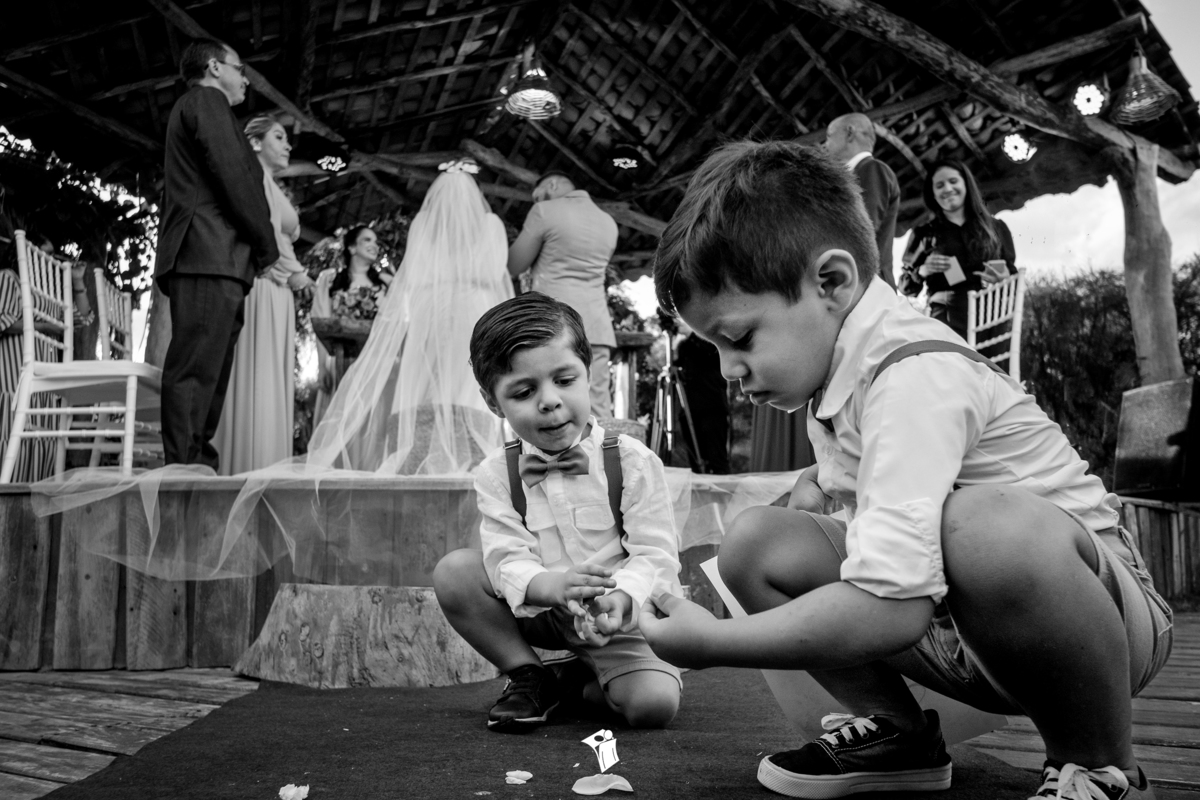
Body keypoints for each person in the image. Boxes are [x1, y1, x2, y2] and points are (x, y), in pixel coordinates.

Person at [640, 140, 1171, 800]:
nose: (727, 371)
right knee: (756, 543)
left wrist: (716, 642)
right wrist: (820, 488)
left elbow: (892, 609)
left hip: (1105, 626)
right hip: (958, 632)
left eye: (740, 337)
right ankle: (896, 733)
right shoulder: (842, 370)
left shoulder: (913, 373)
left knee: (983, 529)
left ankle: (1099, 767)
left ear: (831, 283)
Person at [433, 292, 682, 733]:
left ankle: (574, 683)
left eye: (564, 380)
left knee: (654, 706)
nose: (549, 401)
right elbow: (506, 558)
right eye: (524, 392)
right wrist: (553, 587)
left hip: (616, 613)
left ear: (589, 373)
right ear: (493, 402)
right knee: (456, 573)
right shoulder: (496, 473)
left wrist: (621, 599)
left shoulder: (633, 462)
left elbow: (656, 555)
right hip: (542, 609)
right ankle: (529, 673)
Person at [304, 160, 512, 474]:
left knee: (426, 380)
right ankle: (472, 458)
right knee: (470, 378)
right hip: (475, 305)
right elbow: (495, 273)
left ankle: (419, 458)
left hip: (430, 306)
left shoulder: (423, 222)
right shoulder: (492, 224)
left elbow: (414, 273)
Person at [154, 38, 279, 469]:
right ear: (214, 67)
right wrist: (267, 245)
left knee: (211, 371)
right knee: (195, 368)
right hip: (206, 252)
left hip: (220, 258)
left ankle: (197, 462)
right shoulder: (206, 101)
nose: (245, 79)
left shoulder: (203, 106)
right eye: (240, 68)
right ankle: (183, 469)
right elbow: (233, 176)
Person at [212, 116, 314, 474]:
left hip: (277, 290)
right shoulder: (253, 179)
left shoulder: (270, 183)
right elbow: (266, 233)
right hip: (264, 284)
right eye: (279, 137)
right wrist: (297, 273)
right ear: (255, 143)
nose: (288, 145)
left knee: (271, 377)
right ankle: (248, 464)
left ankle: (266, 462)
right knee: (257, 374)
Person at [507, 172, 619, 419]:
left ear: (552, 184)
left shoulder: (544, 211)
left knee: (553, 405)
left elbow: (514, 265)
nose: (537, 201)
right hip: (597, 327)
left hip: (553, 325)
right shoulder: (608, 222)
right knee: (598, 406)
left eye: (538, 195)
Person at [0, 238, 93, 481]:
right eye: (44, 253)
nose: (49, 260)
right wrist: (43, 326)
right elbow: (3, 320)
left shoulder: (47, 292)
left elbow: (82, 319)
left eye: (51, 254)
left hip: (43, 379)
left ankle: (32, 490)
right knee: (12, 430)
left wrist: (77, 281)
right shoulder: (9, 278)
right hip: (14, 374)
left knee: (41, 433)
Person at [899, 159, 1016, 339]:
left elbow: (1014, 280)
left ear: (966, 184)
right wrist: (923, 270)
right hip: (947, 319)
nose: (947, 189)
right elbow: (905, 287)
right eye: (939, 185)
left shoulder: (996, 228)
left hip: (992, 317)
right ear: (933, 194)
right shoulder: (924, 234)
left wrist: (1005, 279)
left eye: (953, 181)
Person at [311, 225, 388, 424]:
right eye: (367, 240)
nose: (375, 245)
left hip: (375, 364)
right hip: (340, 360)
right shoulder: (330, 280)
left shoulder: (385, 284)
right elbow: (320, 321)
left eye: (376, 241)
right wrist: (322, 366)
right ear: (352, 248)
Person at [824, 112, 900, 289]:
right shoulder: (858, 174)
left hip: (867, 288)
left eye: (829, 136)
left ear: (850, 133)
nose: (825, 144)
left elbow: (860, 232)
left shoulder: (872, 169)